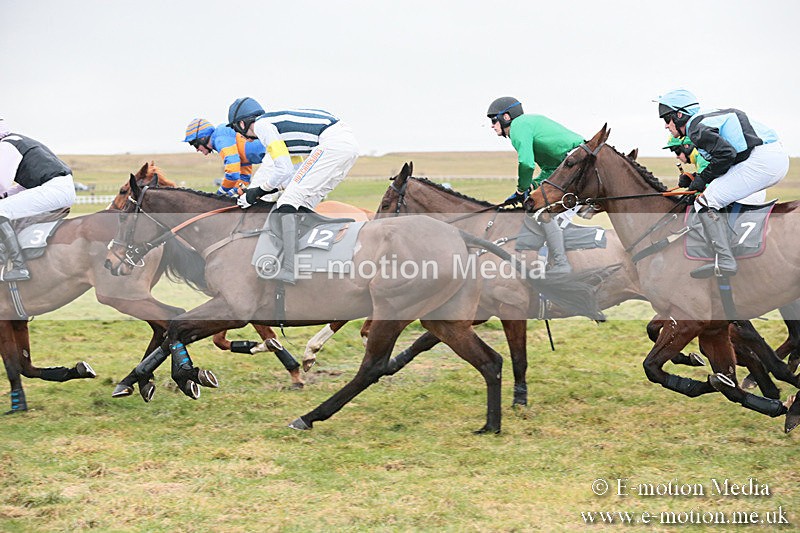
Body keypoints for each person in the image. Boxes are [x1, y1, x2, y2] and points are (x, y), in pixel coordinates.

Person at [657, 89, 789, 278]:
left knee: (705, 202)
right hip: (767, 157)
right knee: (715, 196)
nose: (666, 126)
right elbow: (726, 158)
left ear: (679, 115)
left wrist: (703, 179)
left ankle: (725, 260)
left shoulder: (695, 128)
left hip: (763, 160)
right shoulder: (702, 120)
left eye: (666, 120)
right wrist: (697, 177)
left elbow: (726, 155)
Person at [228, 97, 359, 284]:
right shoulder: (279, 128)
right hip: (346, 145)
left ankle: (289, 269)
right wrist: (259, 191)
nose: (240, 136)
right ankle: (311, 259)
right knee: (302, 203)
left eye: (236, 129)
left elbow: (284, 169)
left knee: (287, 204)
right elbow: (291, 173)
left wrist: (257, 192)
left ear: (242, 123)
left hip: (332, 144)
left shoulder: (262, 126)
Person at [486, 96, 584, 274]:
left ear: (506, 117)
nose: (492, 126)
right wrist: (533, 186)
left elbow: (527, 164)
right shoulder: (526, 125)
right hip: (573, 164)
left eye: (494, 120)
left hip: (578, 165)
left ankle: (561, 264)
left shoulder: (518, 127)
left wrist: (521, 189)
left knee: (543, 213)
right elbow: (550, 168)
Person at [0, 118, 76, 281]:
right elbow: (26, 185)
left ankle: (19, 266)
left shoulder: (6, 146)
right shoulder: (17, 140)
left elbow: (1, 183)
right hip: (59, 187)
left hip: (54, 188)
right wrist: (6, 195)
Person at [183, 118, 267, 196]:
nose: (197, 150)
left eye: (194, 144)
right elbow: (244, 178)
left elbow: (233, 172)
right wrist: (230, 193)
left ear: (202, 138)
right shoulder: (227, 142)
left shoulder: (220, 138)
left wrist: (219, 194)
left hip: (272, 154)